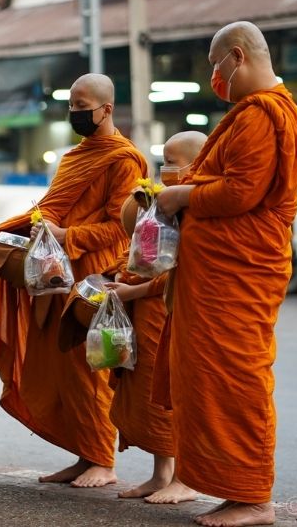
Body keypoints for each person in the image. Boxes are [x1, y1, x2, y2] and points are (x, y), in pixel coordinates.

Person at [153, 21, 297, 527]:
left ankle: (253, 498)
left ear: (237, 57)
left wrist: (180, 196)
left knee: (237, 376)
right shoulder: (249, 115)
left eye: (215, 66)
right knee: (211, 380)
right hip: (217, 271)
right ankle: (232, 488)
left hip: (240, 271)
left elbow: (241, 192)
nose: (214, 78)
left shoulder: (264, 115)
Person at [0, 73, 148, 488]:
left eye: (84, 108)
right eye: (72, 107)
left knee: (90, 366)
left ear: (107, 109)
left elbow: (121, 228)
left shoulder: (125, 159)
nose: (77, 114)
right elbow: (57, 206)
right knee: (64, 368)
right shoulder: (74, 156)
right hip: (58, 272)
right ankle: (84, 455)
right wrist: (42, 224)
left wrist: (70, 236)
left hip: (94, 272)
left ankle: (103, 460)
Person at [103, 131, 206, 504]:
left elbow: (183, 270)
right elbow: (142, 253)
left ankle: (185, 478)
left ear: (199, 163)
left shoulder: (202, 204)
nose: (168, 170)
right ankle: (161, 473)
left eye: (177, 162)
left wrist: (133, 290)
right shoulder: (161, 199)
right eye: (166, 161)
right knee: (151, 394)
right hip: (146, 309)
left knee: (176, 394)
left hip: (173, 309)